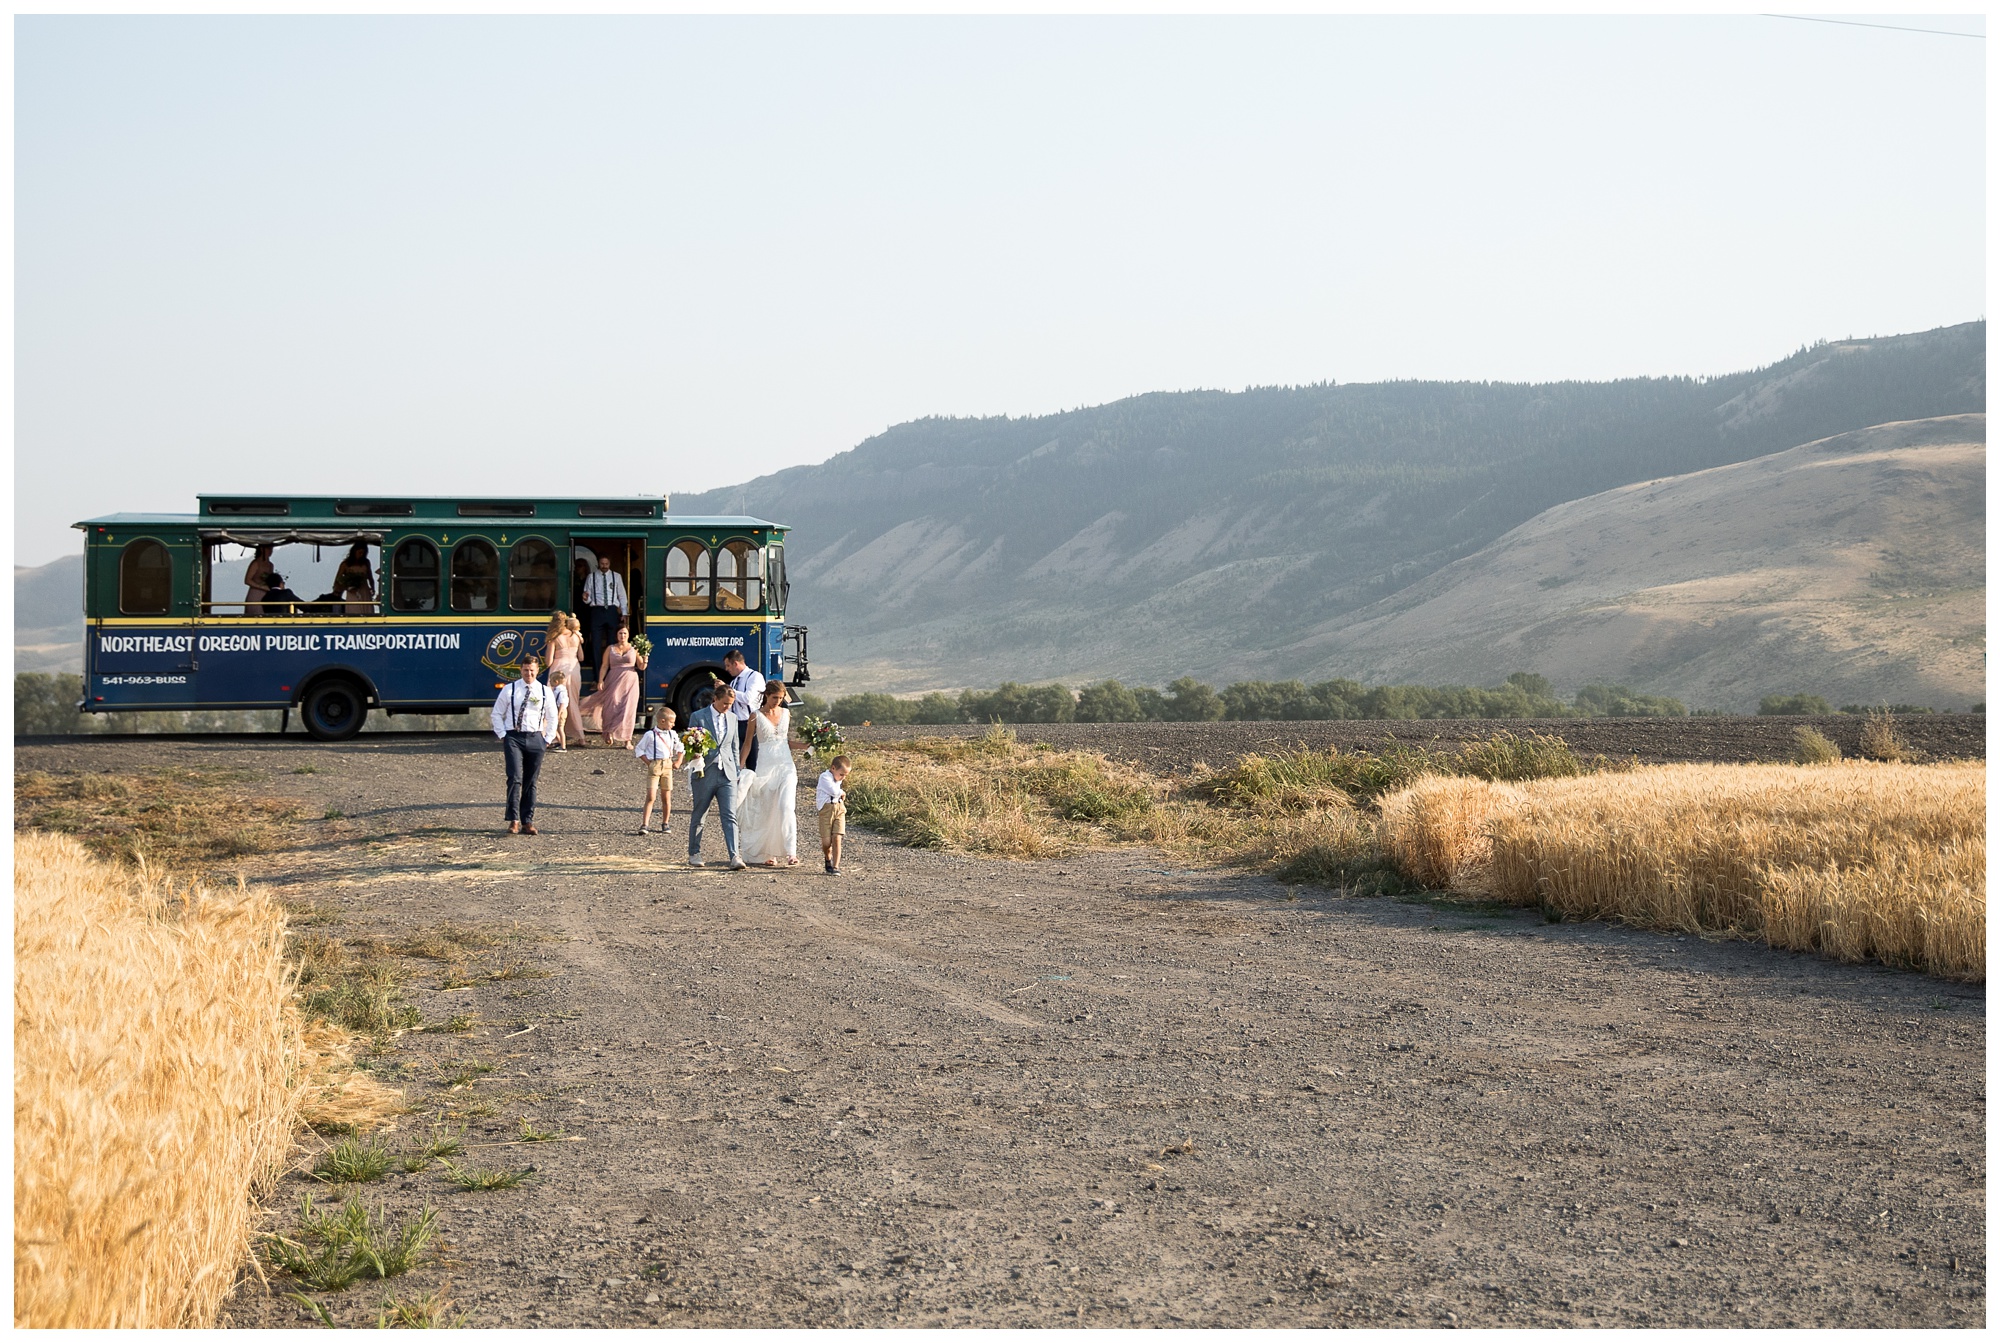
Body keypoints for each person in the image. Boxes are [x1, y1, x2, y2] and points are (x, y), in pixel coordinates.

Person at [491, 655, 560, 835]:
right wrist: (503, 735)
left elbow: (553, 716)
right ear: (520, 670)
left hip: (536, 737)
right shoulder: (510, 689)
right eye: (525, 670)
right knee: (514, 778)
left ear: (537, 671)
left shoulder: (544, 691)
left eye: (532, 670)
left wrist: (547, 739)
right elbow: (497, 714)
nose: (528, 673)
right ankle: (513, 820)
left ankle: (527, 821)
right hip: (514, 737)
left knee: (531, 781)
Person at [736, 683, 800, 867]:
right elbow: (747, 744)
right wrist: (740, 768)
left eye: (780, 699)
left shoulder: (786, 714)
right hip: (765, 767)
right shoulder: (755, 716)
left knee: (786, 807)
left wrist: (808, 745)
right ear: (767, 695)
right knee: (766, 810)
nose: (777, 702)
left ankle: (791, 852)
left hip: (786, 767)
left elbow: (786, 741)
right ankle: (767, 852)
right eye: (774, 698)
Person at [686, 684, 747, 869]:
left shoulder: (733, 718)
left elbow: (734, 746)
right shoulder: (698, 716)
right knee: (700, 813)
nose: (728, 707)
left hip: (727, 773)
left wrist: (736, 771)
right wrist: (694, 756)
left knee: (730, 815)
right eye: (725, 703)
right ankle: (694, 853)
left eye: (731, 704)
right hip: (705, 772)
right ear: (716, 699)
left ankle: (735, 856)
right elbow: (690, 742)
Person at [582, 625, 645, 747]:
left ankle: (627, 739)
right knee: (611, 706)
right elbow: (605, 665)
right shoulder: (610, 648)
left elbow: (641, 666)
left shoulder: (634, 648)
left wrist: (645, 658)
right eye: (620, 633)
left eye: (625, 634)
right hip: (614, 679)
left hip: (630, 680)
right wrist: (600, 680)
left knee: (628, 709)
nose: (622, 636)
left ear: (628, 635)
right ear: (617, 635)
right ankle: (608, 732)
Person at [633, 706, 685, 834]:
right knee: (651, 796)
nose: (673, 725)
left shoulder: (672, 734)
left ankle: (665, 822)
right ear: (662, 721)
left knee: (666, 797)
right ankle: (645, 824)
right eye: (671, 722)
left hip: (667, 765)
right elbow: (639, 749)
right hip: (655, 765)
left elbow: (680, 747)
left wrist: (678, 761)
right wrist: (648, 763)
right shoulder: (650, 735)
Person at [544, 613, 586, 747]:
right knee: (573, 702)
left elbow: (548, 662)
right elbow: (581, 657)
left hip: (558, 669)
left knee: (554, 702)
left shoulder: (554, 637)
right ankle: (580, 736)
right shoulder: (576, 636)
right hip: (573, 669)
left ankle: (552, 736)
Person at [580, 553, 628, 671]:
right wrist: (586, 599)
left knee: (612, 643)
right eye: (602, 564)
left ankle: (611, 673)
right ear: (598, 564)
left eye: (606, 564)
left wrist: (624, 613)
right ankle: (597, 676)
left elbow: (622, 595)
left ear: (609, 564)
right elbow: (587, 596)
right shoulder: (591, 577)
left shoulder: (616, 576)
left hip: (611, 610)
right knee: (596, 644)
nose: (604, 566)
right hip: (597, 611)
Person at [723, 648, 766, 770]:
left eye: (728, 665)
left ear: (735, 663)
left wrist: (729, 691)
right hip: (736, 724)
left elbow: (748, 698)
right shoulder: (734, 682)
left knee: (753, 761)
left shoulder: (755, 677)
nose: (727, 669)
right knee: (736, 759)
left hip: (750, 722)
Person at [816, 756, 850, 875]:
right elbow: (834, 791)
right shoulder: (824, 777)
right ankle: (827, 857)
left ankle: (836, 866)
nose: (843, 778)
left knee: (837, 838)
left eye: (845, 775)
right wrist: (842, 792)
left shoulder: (838, 778)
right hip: (826, 810)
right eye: (841, 774)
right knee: (826, 842)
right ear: (833, 768)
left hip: (839, 808)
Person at [335, 542, 375, 614]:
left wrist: (372, 587)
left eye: (363, 553)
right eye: (360, 552)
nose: (361, 555)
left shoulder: (366, 562)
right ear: (354, 551)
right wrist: (345, 587)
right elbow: (338, 579)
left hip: (364, 590)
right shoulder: (345, 564)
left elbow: (370, 577)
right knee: (354, 609)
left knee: (366, 610)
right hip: (352, 592)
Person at [245, 544, 277, 616]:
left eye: (271, 549)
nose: (270, 551)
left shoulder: (271, 565)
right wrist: (261, 586)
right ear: (262, 549)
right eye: (268, 549)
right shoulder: (256, 563)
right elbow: (247, 580)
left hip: (267, 594)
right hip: (256, 593)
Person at [547, 669, 574, 749]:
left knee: (560, 728)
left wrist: (559, 714)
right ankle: (559, 742)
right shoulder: (557, 690)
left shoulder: (561, 691)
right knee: (554, 727)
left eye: (550, 681)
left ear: (556, 681)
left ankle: (563, 746)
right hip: (558, 710)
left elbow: (562, 703)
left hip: (561, 711)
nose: (550, 682)